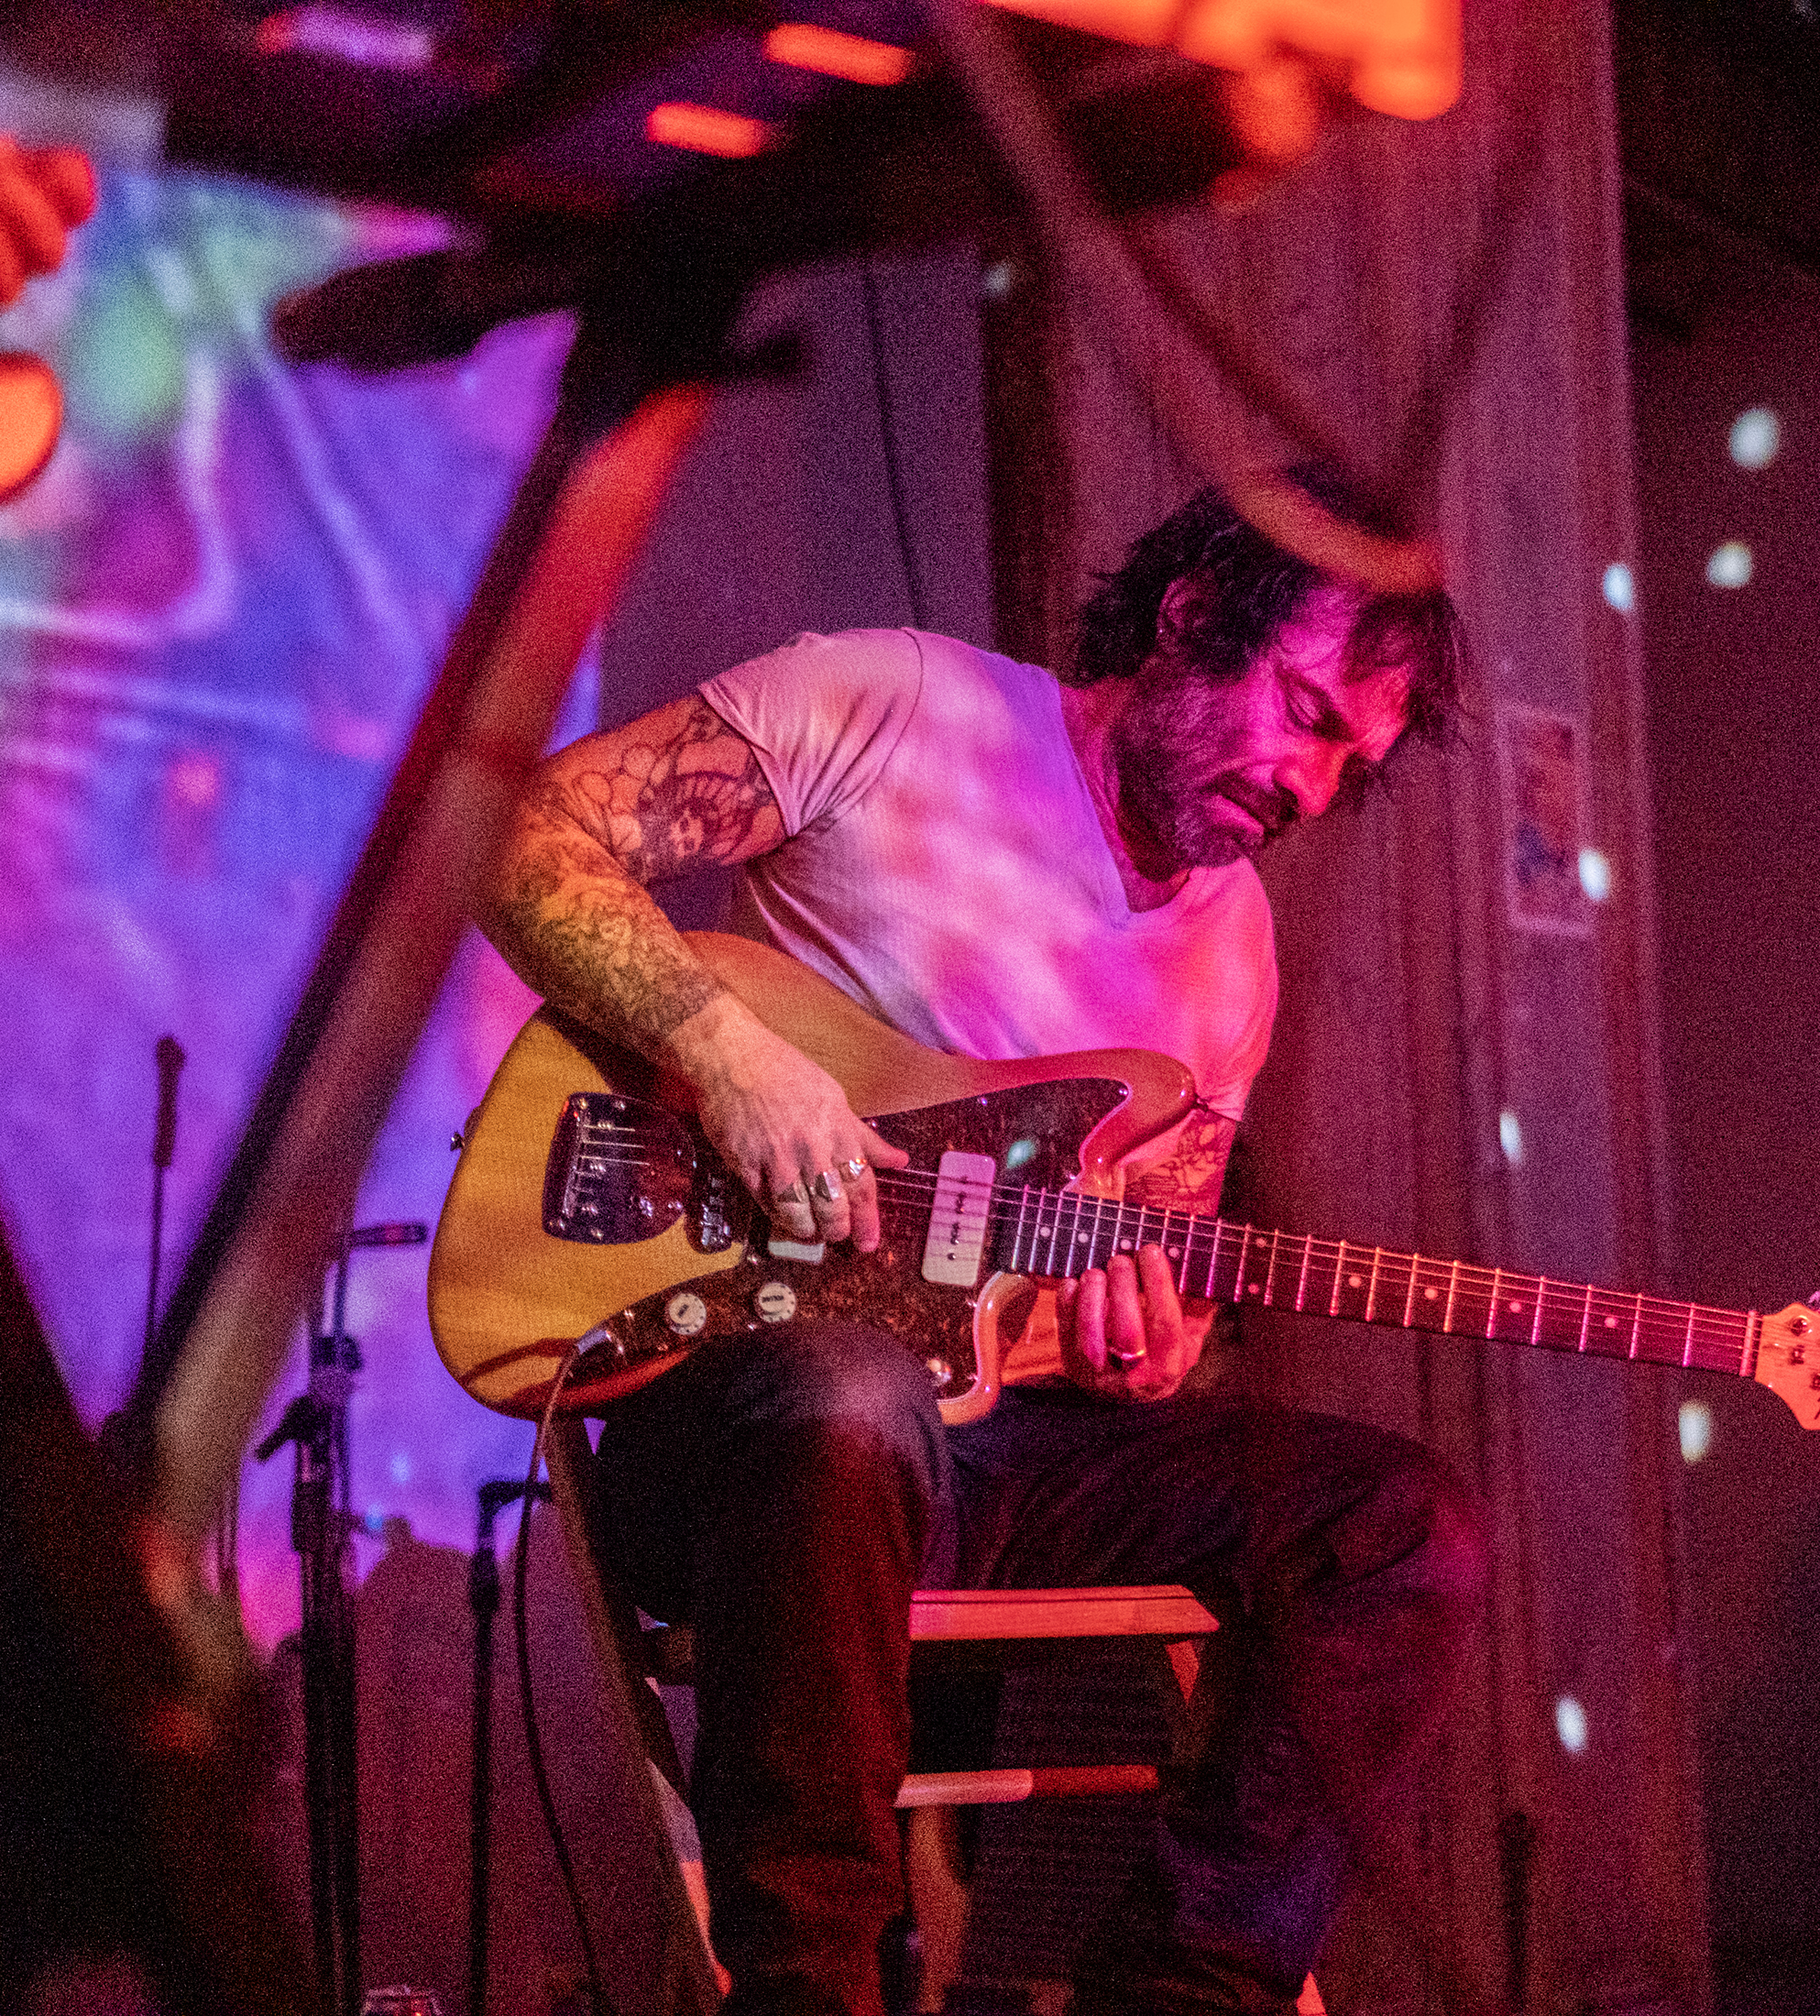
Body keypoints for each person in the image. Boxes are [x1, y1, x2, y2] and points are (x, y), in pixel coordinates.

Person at [479, 478, 1486, 2016]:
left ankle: (1185, 1989)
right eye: (1303, 712)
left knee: (1402, 1529)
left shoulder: (1237, 956)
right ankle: (816, 1993)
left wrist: (1148, 1344)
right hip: (744, 1419)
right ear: (1192, 615)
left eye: (1354, 759)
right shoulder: (898, 707)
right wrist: (729, 1056)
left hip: (992, 1449)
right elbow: (526, 837)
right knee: (845, 1393)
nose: (1313, 784)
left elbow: (1145, 1263)